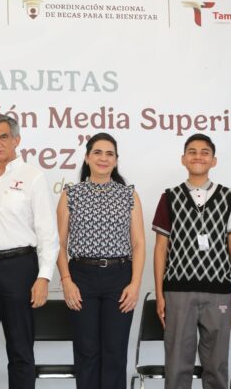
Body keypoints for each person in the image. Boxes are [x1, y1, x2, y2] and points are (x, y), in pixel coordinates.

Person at [0, 114, 59, 389]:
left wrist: (43, 277)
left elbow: (48, 233)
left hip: (19, 268)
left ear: (16, 140)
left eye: (3, 137)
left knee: (20, 350)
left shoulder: (33, 177)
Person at [153, 133, 231, 389]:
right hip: (178, 291)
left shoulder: (229, 197)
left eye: (205, 152)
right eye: (192, 152)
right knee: (176, 365)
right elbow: (161, 249)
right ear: (183, 159)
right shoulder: (169, 197)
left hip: (219, 292)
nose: (198, 156)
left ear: (214, 161)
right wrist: (160, 294)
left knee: (216, 365)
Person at [55, 132, 145, 389]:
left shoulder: (128, 194)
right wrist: (66, 281)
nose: (103, 158)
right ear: (87, 158)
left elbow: (139, 244)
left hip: (120, 277)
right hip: (81, 277)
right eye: (97, 152)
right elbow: (59, 243)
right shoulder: (71, 194)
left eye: (109, 154)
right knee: (86, 351)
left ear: (116, 160)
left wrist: (135, 284)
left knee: (115, 352)